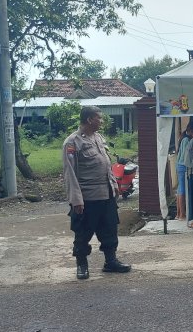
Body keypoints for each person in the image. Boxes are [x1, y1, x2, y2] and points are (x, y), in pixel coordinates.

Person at [63, 106, 131, 280]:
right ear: (89, 120)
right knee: (83, 233)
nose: (102, 121)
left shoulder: (98, 138)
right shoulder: (72, 142)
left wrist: (114, 185)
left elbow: (105, 163)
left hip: (106, 194)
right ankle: (82, 265)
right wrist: (76, 199)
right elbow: (70, 174)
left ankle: (110, 262)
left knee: (109, 229)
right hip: (87, 197)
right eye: (99, 118)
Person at [175, 121, 193, 221]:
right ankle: (182, 214)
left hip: (180, 166)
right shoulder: (186, 140)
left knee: (180, 189)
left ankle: (178, 214)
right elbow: (186, 156)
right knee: (182, 190)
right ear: (191, 131)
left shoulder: (184, 138)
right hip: (183, 167)